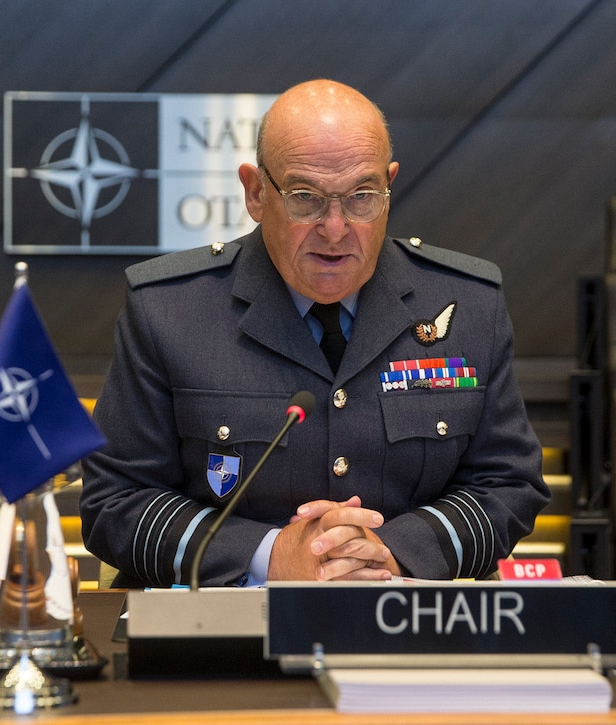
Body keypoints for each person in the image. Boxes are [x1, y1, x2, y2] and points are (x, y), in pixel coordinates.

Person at [79, 79, 549, 587]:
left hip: (410, 623)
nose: (334, 227)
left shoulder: (469, 305)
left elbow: (507, 482)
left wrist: (393, 551)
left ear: (390, 187)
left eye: (361, 197)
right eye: (305, 198)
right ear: (257, 193)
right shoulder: (168, 310)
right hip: (222, 634)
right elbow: (116, 500)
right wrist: (266, 556)